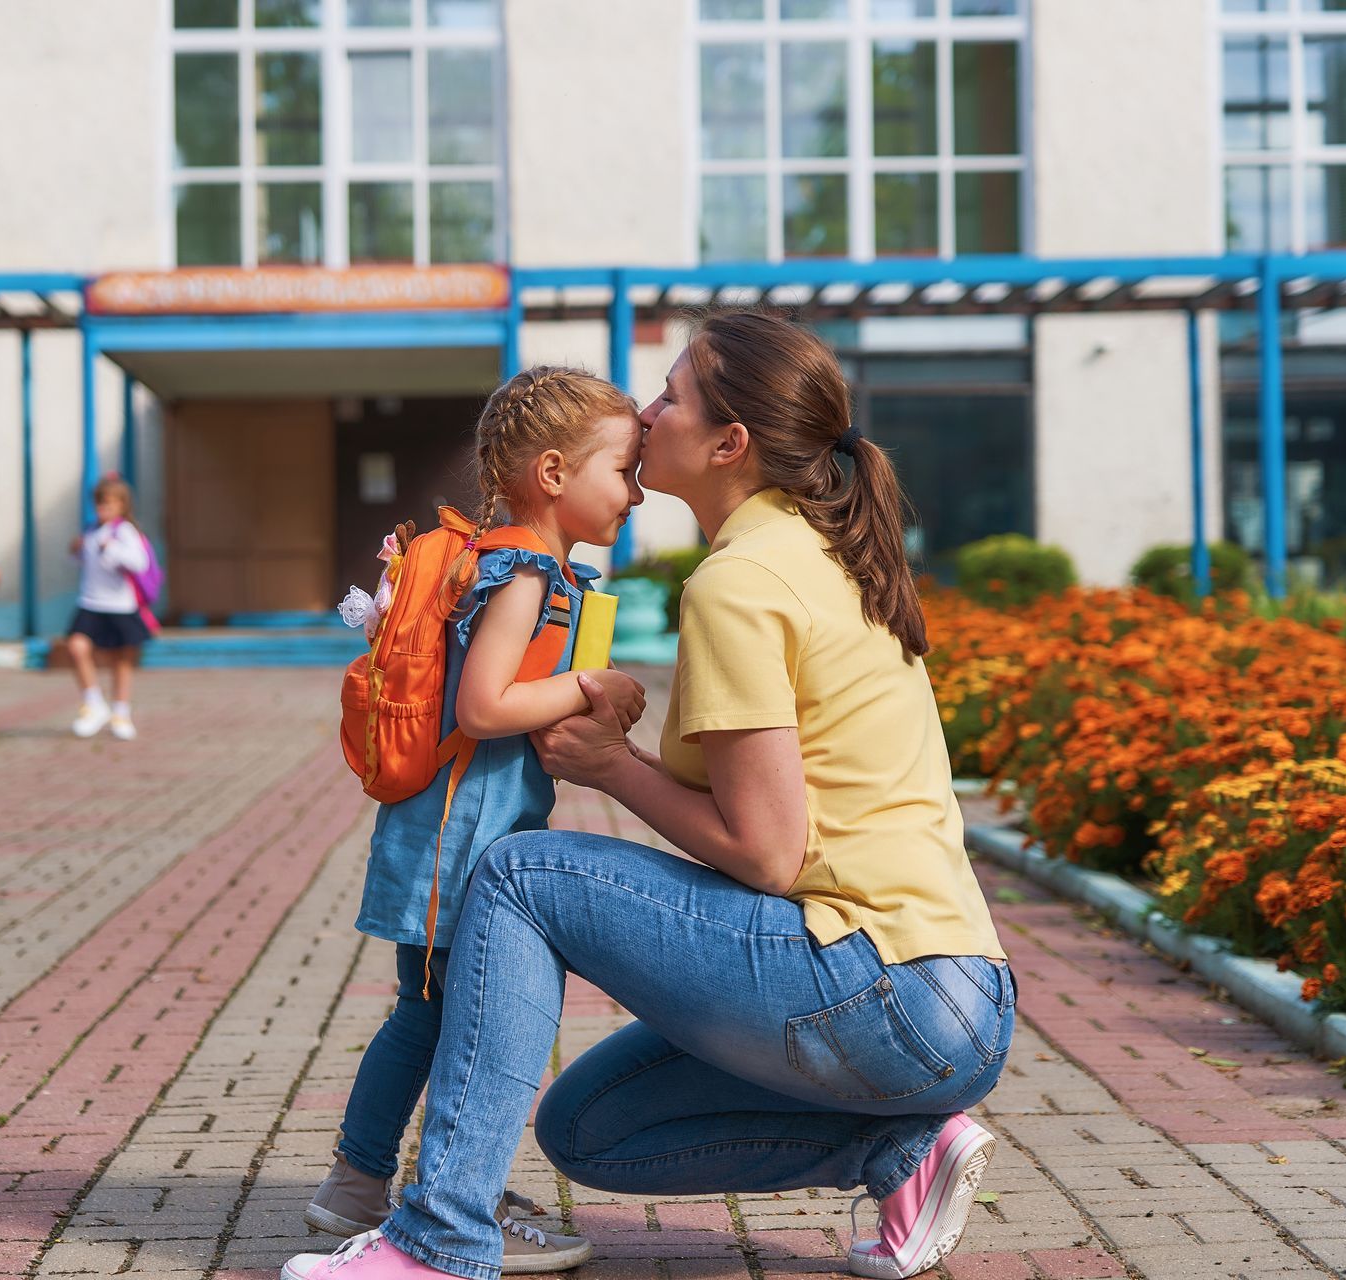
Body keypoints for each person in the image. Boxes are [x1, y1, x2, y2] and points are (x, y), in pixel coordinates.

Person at [283, 311, 1013, 1280]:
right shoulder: (817, 554)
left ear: (729, 443)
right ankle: (901, 1151)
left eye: (672, 394)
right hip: (950, 996)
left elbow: (766, 854)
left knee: (516, 872)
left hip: (884, 985)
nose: (648, 408)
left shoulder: (744, 578)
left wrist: (610, 766)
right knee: (589, 1129)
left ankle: (439, 1240)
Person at [304, 368, 648, 1275]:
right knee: (447, 1020)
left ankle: (364, 1180)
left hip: (450, 838)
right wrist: (587, 684)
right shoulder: (524, 575)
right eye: (623, 469)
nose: (637, 491)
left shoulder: (513, 565)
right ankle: (427, 1186)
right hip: (457, 849)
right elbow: (487, 706)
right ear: (551, 472)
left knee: (426, 1014)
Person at [66, 475, 152, 740]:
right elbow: (82, 566)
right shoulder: (91, 531)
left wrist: (112, 548)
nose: (104, 508)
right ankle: (94, 703)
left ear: (122, 505)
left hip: (119, 605)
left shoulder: (124, 531)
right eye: (100, 503)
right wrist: (76, 551)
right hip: (91, 601)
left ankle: (121, 712)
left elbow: (140, 564)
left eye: (110, 503)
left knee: (121, 660)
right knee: (76, 647)